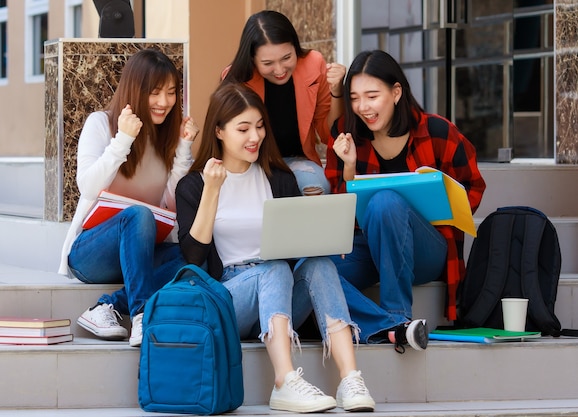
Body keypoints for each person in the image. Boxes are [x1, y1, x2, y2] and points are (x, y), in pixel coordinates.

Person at [175, 83, 375, 413]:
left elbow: (297, 245)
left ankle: (350, 379)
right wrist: (212, 190)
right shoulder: (194, 185)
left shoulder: (278, 178)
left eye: (259, 126)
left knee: (319, 265)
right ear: (219, 132)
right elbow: (194, 258)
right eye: (243, 129)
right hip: (228, 298)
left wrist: (323, 235)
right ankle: (284, 382)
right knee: (273, 268)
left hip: (278, 296)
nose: (255, 136)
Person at [325, 50, 486, 353]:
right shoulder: (348, 135)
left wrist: (440, 198)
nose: (363, 107)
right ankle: (389, 327)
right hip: (368, 246)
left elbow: (473, 187)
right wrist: (349, 166)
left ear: (396, 92)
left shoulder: (436, 131)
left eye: (372, 96)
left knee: (386, 203)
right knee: (309, 267)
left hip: (426, 250)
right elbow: (341, 214)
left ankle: (399, 314)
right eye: (355, 98)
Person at [57, 49, 199, 347]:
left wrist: (184, 148)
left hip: (141, 253)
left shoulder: (166, 137)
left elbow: (170, 204)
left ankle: (106, 307)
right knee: (138, 215)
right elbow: (88, 187)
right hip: (91, 253)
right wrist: (123, 140)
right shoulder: (100, 123)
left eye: (171, 93)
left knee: (195, 256)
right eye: (155, 92)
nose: (164, 102)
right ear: (136, 89)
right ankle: (141, 315)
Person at [221, 9, 346, 196]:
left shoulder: (313, 64)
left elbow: (328, 134)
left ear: (295, 47)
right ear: (252, 59)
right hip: (252, 161)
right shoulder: (236, 78)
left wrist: (337, 92)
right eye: (268, 63)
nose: (279, 70)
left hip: (298, 160)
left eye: (287, 58)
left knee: (315, 189)